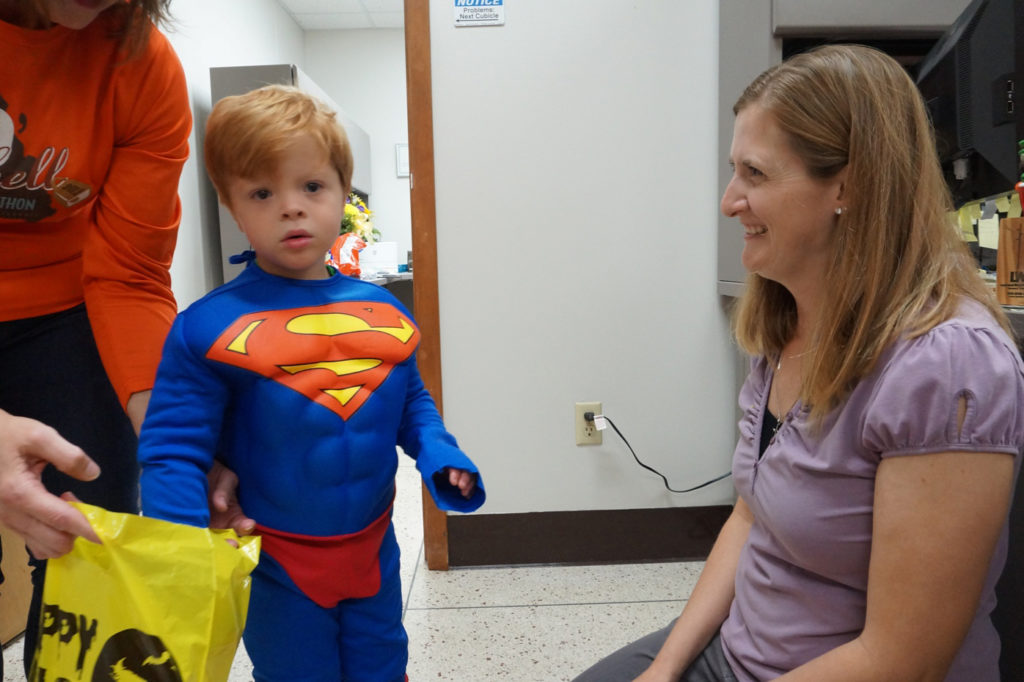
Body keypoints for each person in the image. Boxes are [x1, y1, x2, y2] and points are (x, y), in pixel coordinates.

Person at [574, 44, 1023, 682]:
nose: (729, 201)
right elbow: (750, 515)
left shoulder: (947, 365)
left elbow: (903, 661)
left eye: (755, 174)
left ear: (848, 186)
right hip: (742, 653)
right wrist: (666, 667)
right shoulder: (791, 323)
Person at [136, 84, 486, 682]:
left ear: (343, 194)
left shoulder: (387, 313)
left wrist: (440, 453)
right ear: (231, 206)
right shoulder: (206, 327)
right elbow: (171, 448)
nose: (291, 207)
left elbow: (411, 406)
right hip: (277, 556)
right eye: (262, 192)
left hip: (373, 545)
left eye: (312, 187)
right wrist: (179, 552)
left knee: (382, 667)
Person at [0, 0, 195, 676]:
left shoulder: (142, 66)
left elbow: (131, 277)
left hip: (68, 309)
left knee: (91, 544)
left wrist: (180, 437)